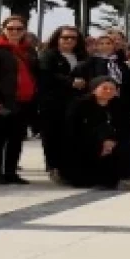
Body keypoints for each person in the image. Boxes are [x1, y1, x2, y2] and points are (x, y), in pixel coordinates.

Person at [0, 15, 40, 185]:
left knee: (16, 138)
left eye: (19, 29)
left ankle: (11, 172)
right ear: (3, 29)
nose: (15, 32)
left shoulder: (29, 50)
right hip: (3, 101)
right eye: (10, 28)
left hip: (24, 101)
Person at [61, 77, 130, 190]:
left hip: (112, 143)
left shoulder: (118, 104)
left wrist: (113, 141)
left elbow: (126, 127)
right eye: (104, 88)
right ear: (94, 89)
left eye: (112, 89)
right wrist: (100, 141)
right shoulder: (80, 105)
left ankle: (127, 178)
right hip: (86, 145)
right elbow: (75, 130)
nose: (108, 91)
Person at [38, 26, 85, 184]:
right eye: (65, 37)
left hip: (76, 102)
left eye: (73, 38)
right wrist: (70, 82)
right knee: (52, 136)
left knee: (70, 136)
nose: (69, 40)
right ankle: (53, 168)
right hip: (53, 103)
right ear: (57, 39)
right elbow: (46, 75)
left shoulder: (81, 56)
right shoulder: (48, 55)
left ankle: (69, 169)